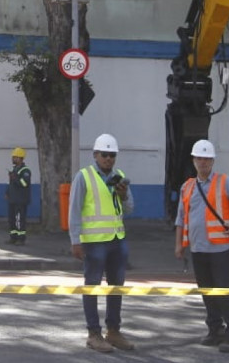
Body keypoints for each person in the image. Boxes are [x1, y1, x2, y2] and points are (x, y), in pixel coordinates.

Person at [174, 139, 229, 353]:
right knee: (207, 291)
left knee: (223, 290)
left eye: (207, 159)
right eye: (199, 158)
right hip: (198, 248)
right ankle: (215, 329)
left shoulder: (224, 182)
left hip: (219, 248)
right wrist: (179, 245)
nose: (203, 162)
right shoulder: (187, 186)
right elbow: (181, 218)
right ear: (194, 160)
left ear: (213, 161)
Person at [69, 133, 135, 353]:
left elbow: (130, 209)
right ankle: (94, 334)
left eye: (112, 155)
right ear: (95, 155)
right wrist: (75, 241)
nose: (108, 159)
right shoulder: (84, 176)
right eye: (104, 155)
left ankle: (113, 331)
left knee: (116, 287)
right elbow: (74, 210)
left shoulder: (120, 176)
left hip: (117, 240)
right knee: (92, 287)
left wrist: (123, 195)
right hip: (94, 243)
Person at [5, 146, 32, 245]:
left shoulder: (25, 171)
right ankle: (13, 237)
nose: (13, 159)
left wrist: (15, 178)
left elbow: (24, 184)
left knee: (20, 220)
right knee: (11, 219)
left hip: (21, 200)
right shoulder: (15, 170)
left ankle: (21, 239)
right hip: (13, 199)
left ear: (20, 158)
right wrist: (7, 193)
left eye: (15, 157)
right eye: (13, 157)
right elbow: (11, 184)